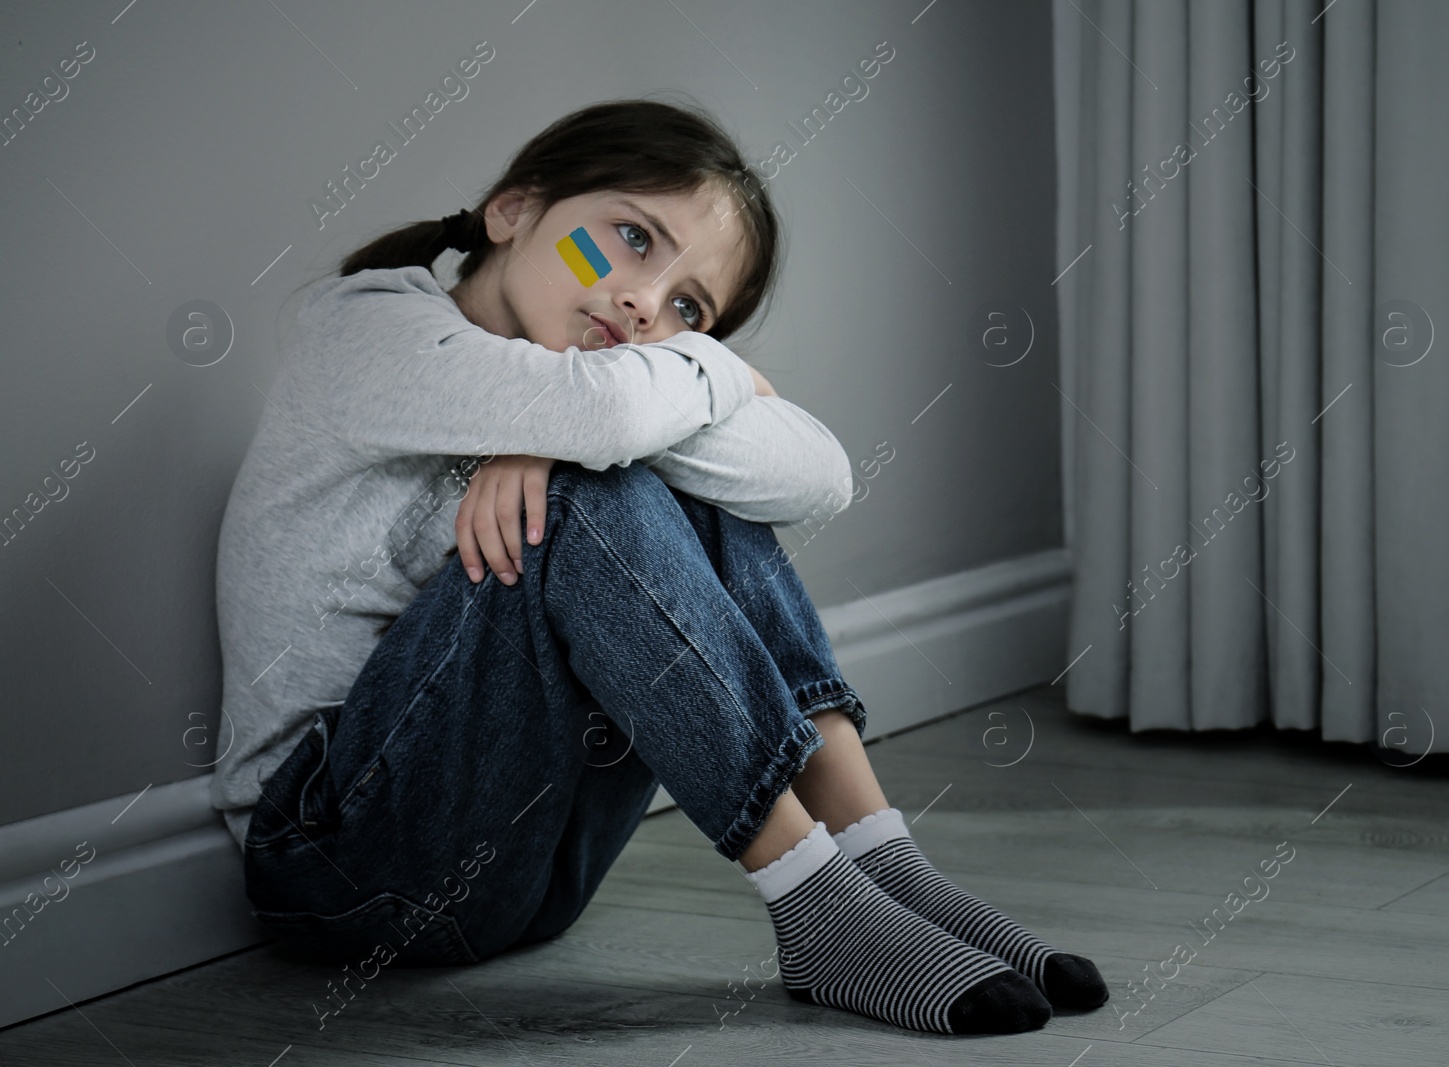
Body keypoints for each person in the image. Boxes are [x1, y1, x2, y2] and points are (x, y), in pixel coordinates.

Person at [214, 97, 1107, 1036]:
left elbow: (819, 473)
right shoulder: (362, 327)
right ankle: (818, 907)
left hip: (537, 872)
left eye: (690, 308)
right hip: (336, 865)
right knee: (599, 486)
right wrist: (708, 375)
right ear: (514, 210)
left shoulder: (596, 386)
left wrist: (581, 427)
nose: (645, 301)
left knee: (645, 477)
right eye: (630, 238)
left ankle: (885, 868)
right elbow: (606, 421)